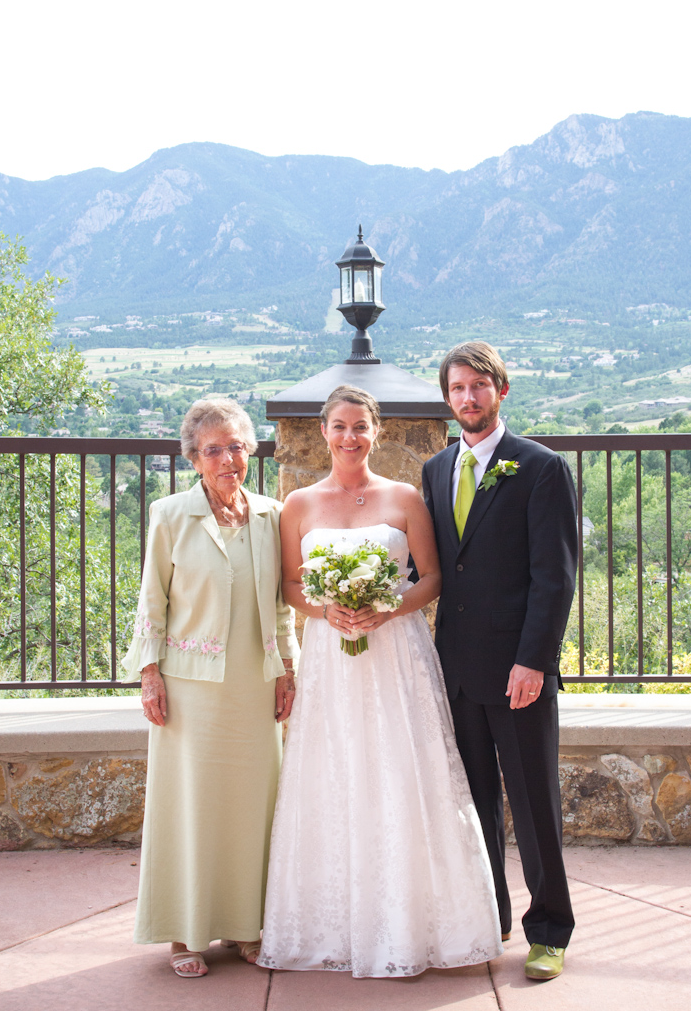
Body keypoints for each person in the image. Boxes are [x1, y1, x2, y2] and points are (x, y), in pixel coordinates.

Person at [258, 384, 503, 979]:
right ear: (324, 432)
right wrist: (327, 610)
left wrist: (388, 607)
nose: (350, 437)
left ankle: (413, 925)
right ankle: (337, 926)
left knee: (402, 770)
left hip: (397, 656)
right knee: (334, 772)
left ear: (377, 433)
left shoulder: (405, 498)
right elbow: (290, 584)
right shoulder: (298, 504)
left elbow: (433, 578)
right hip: (331, 657)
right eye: (340, 427)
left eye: (360, 427)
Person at [121, 398, 299, 978]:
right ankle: (185, 935)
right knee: (190, 809)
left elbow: (281, 607)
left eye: (237, 447)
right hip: (189, 688)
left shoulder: (272, 515)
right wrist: (149, 674)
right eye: (214, 449)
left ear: (250, 452)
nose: (228, 459)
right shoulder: (170, 514)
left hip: (254, 684)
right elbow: (152, 600)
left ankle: (247, 927)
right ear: (194, 459)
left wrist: (287, 669)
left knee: (252, 810)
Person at [421, 342, 578, 982]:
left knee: (535, 804)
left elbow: (554, 577)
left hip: (519, 672)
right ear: (447, 397)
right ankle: (492, 918)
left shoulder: (540, 468)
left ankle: (550, 931)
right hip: (457, 669)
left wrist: (533, 661)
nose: (468, 397)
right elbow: (438, 566)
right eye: (458, 388)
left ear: (501, 391)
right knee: (475, 802)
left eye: (479, 386)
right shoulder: (435, 469)